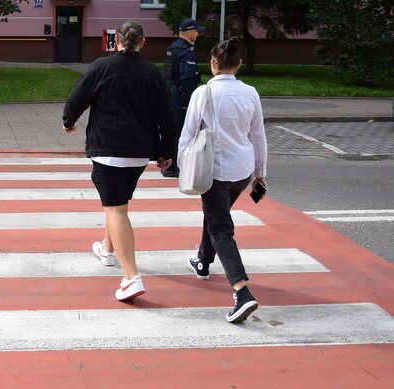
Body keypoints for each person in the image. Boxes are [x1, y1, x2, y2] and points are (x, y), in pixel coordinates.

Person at [63, 20, 178, 301]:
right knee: (116, 204)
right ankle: (107, 249)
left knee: (116, 211)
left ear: (118, 41)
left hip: (107, 150)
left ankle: (131, 278)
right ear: (142, 42)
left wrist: (69, 121)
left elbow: (78, 97)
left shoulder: (102, 66)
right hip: (139, 153)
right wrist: (165, 152)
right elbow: (167, 115)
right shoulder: (152, 73)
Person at [179, 37, 267, 323]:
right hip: (241, 171)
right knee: (216, 214)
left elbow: (188, 133)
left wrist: (182, 166)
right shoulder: (251, 93)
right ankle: (203, 262)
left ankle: (242, 292)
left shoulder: (202, 93)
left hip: (213, 170)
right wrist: (260, 173)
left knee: (220, 227)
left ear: (213, 64)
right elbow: (258, 136)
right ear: (238, 64)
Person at [162, 18, 203, 177]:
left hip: (170, 95)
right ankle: (174, 167)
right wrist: (193, 100)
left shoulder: (171, 48)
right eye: (197, 31)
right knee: (181, 132)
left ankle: (168, 164)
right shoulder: (185, 52)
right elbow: (187, 79)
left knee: (172, 131)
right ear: (189, 32)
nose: (198, 34)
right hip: (181, 98)